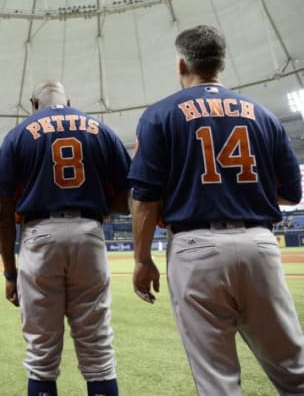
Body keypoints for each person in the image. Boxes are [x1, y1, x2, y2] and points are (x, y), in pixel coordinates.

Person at [128, 25, 304, 395]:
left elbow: (145, 199)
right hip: (259, 243)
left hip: (196, 247)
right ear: (222, 63)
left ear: (181, 64)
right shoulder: (264, 115)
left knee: (217, 380)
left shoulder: (161, 115)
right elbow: (291, 194)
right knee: (294, 369)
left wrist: (142, 259)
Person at [0, 81, 131, 396]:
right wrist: (97, 204)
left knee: (41, 355)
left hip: (40, 236)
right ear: (69, 100)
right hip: (88, 232)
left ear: (34, 103)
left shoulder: (19, 134)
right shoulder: (100, 129)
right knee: (99, 354)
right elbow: (126, 198)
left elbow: (2, 213)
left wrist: (10, 273)